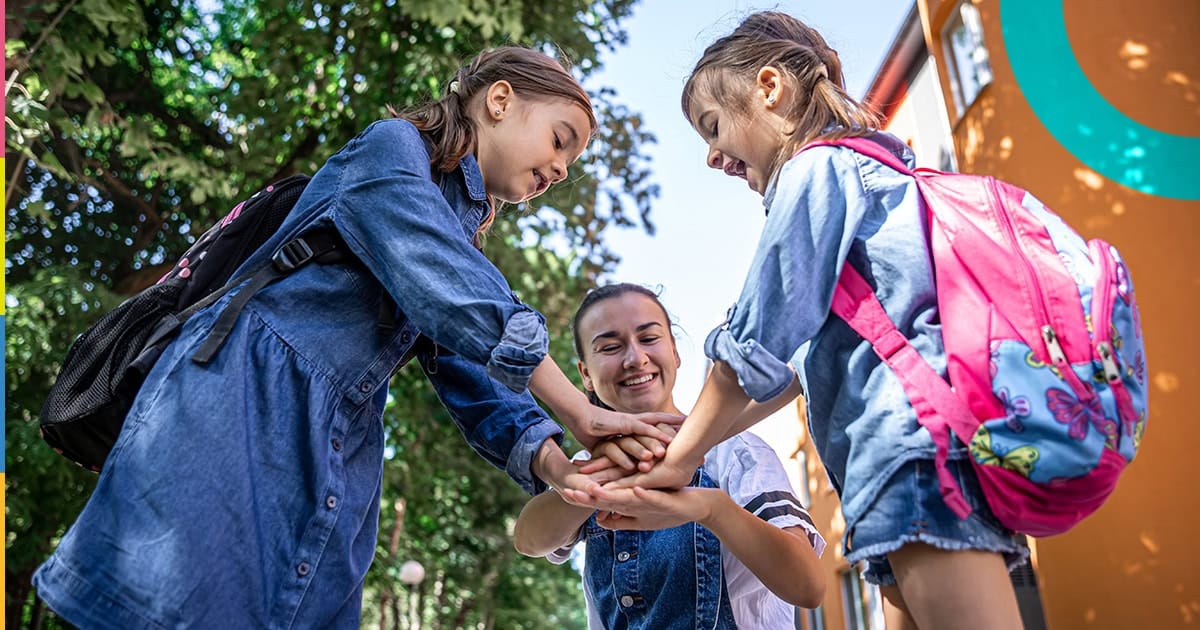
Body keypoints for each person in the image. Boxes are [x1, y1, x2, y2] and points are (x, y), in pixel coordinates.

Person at [32, 46, 676, 628]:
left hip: (340, 445)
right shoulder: (390, 150)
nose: (562, 168)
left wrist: (558, 466)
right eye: (561, 140)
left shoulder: (458, 235)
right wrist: (580, 410)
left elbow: (473, 371)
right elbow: (447, 280)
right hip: (239, 403)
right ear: (500, 100)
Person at [573, 13, 1030, 630]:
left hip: (913, 459)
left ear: (769, 88)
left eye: (712, 126)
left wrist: (679, 460)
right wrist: (684, 440)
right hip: (889, 467)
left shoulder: (820, 170)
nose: (711, 157)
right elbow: (791, 380)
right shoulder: (870, 178)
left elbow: (753, 345)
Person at [514, 283, 826, 629]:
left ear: (675, 352)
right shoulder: (585, 466)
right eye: (611, 347)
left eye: (648, 339)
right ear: (585, 374)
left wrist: (713, 510)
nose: (635, 359)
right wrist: (597, 482)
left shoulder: (737, 454)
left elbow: (809, 587)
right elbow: (528, 539)